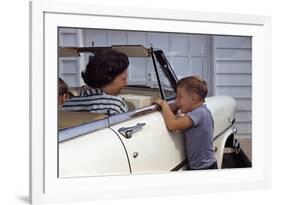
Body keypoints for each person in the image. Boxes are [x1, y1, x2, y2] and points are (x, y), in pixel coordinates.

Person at [153, 76, 217, 170]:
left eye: (179, 96)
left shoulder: (200, 113)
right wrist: (175, 107)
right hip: (202, 167)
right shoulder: (200, 112)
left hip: (204, 169)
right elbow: (180, 122)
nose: (176, 100)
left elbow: (172, 125)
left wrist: (164, 104)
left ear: (193, 99)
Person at [62, 49, 129, 115]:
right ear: (108, 78)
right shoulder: (116, 105)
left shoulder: (68, 105)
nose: (126, 83)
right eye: (123, 79)